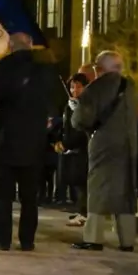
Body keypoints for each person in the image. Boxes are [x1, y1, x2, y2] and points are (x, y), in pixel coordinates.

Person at [0, 32, 52, 251]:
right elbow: (54, 107)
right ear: (31, 45)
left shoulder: (2, 69)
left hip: (7, 140)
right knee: (29, 197)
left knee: (4, 196)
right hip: (34, 143)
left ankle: (3, 238)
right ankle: (27, 240)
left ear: (9, 46)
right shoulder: (44, 71)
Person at [70, 50, 138, 252]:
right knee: (126, 190)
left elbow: (80, 120)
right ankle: (127, 240)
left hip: (104, 145)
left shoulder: (96, 89)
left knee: (98, 189)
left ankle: (94, 237)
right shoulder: (131, 87)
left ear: (99, 68)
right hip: (128, 145)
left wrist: (76, 110)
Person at [57, 74, 89, 226]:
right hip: (71, 150)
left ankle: (84, 212)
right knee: (75, 181)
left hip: (83, 150)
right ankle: (80, 210)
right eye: (72, 86)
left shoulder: (87, 104)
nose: (74, 90)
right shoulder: (68, 105)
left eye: (78, 86)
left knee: (82, 182)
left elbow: (83, 129)